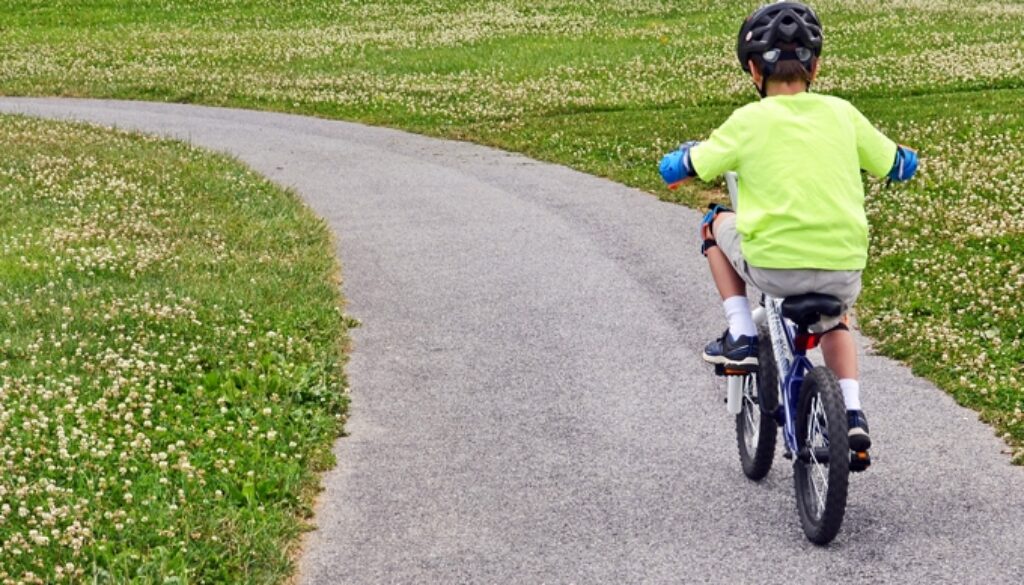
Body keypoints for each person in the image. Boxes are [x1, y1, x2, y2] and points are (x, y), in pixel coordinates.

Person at [658, 1, 918, 457]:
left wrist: (677, 162)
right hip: (843, 267)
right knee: (835, 320)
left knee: (714, 221)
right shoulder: (843, 114)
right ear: (815, 66)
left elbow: (686, 166)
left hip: (775, 267)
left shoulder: (747, 121)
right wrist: (904, 158)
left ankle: (739, 332)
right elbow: (897, 165)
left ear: (754, 70)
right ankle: (852, 412)